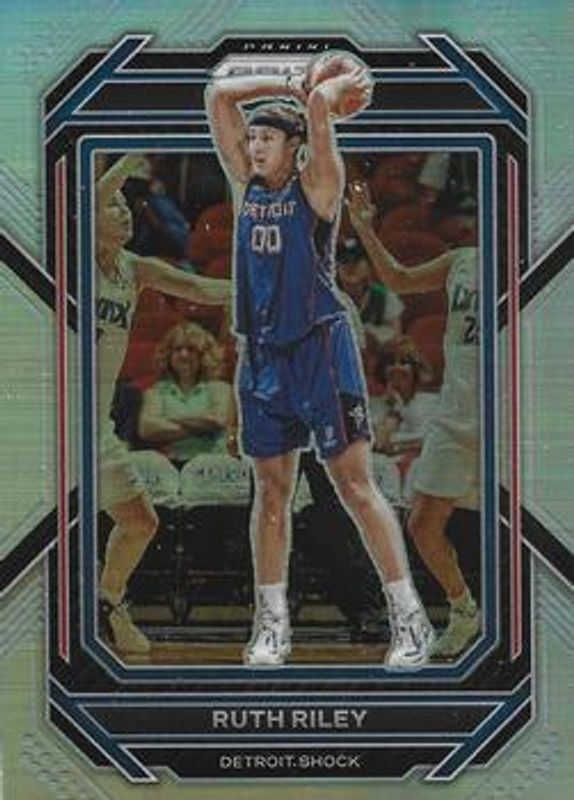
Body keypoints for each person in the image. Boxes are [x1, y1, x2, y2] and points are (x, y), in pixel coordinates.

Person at [205, 56, 434, 668]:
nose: (254, 145)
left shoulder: (318, 187)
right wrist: (293, 78)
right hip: (262, 354)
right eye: (252, 136)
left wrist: (322, 94)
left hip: (320, 349)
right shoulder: (246, 184)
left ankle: (409, 618)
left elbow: (315, 113)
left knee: (354, 486)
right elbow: (218, 93)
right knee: (270, 492)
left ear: (296, 148)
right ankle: (271, 624)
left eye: (267, 138)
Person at [96, 153, 230, 655]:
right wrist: (131, 154)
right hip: (51, 423)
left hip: (94, 427)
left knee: (141, 522)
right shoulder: (73, 259)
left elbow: (197, 286)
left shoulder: (134, 269)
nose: (125, 212)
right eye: (113, 206)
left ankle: (108, 605)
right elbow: (84, 199)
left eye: (127, 205)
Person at [347, 180, 481, 659]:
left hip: (514, 418)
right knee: (423, 524)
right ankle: (464, 611)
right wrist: (365, 228)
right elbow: (401, 279)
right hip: (457, 415)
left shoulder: (545, 264)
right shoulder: (463, 260)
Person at [138, 320, 232, 462]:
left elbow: (218, 420)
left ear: (203, 355)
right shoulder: (156, 392)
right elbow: (147, 429)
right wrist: (203, 429)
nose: (184, 355)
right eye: (178, 349)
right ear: (169, 356)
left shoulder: (220, 389)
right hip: (173, 464)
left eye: (191, 349)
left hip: (214, 464)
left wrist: (167, 420)